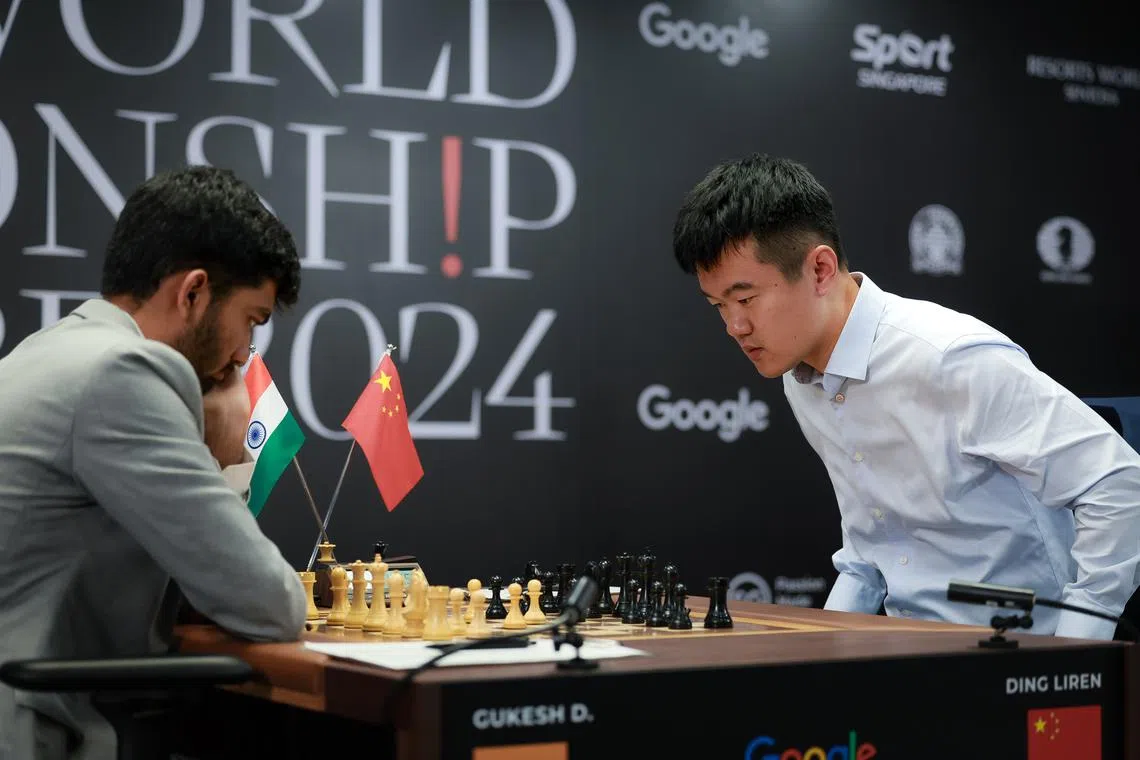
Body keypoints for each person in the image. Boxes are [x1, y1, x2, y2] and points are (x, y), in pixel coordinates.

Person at [670, 153, 1140, 641]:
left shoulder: (949, 356)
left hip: (1021, 654)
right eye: (718, 306)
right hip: (909, 652)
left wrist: (1076, 648)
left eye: (745, 299)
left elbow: (1121, 488)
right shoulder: (802, 378)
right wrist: (815, 649)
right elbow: (869, 551)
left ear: (821, 269)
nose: (734, 327)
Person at [0, 166, 309, 760]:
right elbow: (269, 604)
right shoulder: (124, 373)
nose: (245, 355)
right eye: (251, 320)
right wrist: (221, 456)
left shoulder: (50, 350)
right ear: (192, 293)